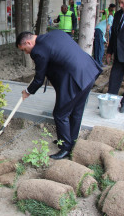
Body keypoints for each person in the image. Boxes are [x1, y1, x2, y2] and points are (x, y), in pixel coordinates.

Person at [16, 30, 102, 160]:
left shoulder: (38, 50)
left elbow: (39, 79)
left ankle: (65, 148)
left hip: (74, 79)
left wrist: (27, 91)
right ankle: (70, 141)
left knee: (60, 114)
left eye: (24, 49)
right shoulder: (55, 33)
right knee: (76, 111)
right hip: (89, 71)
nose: (27, 53)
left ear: (28, 42)